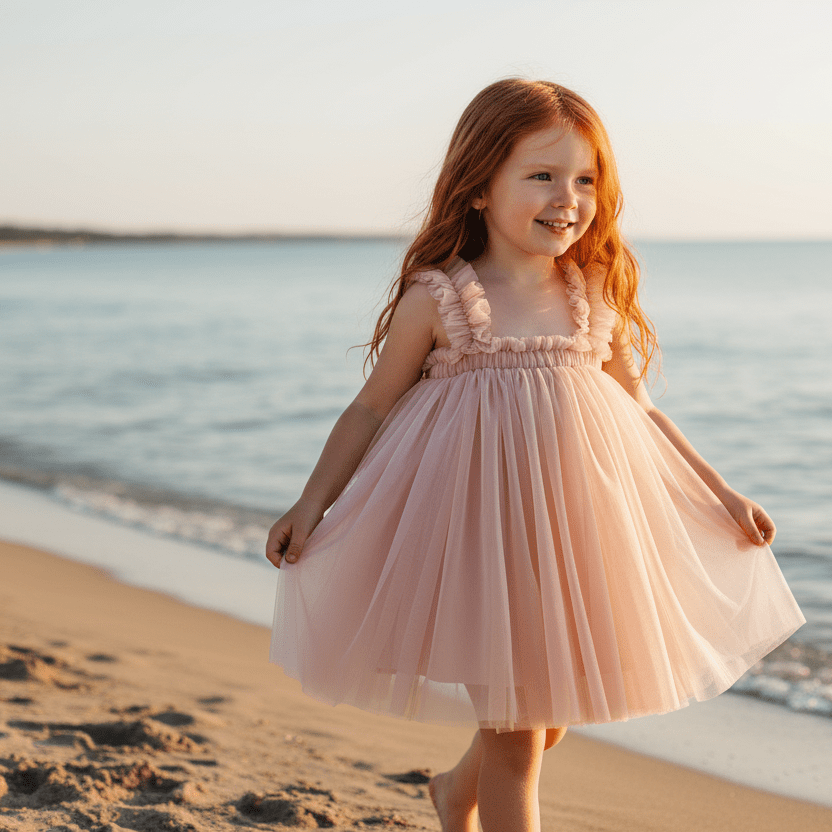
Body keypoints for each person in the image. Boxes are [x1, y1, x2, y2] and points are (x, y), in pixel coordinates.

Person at [266, 79, 805, 832]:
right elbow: (371, 407)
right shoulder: (442, 298)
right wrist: (310, 503)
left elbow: (642, 411)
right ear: (480, 187)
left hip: (577, 533)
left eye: (586, 179)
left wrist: (722, 496)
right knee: (521, 740)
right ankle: (469, 802)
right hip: (479, 535)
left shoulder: (591, 292)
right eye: (542, 175)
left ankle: (456, 791)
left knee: (546, 719)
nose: (569, 197)